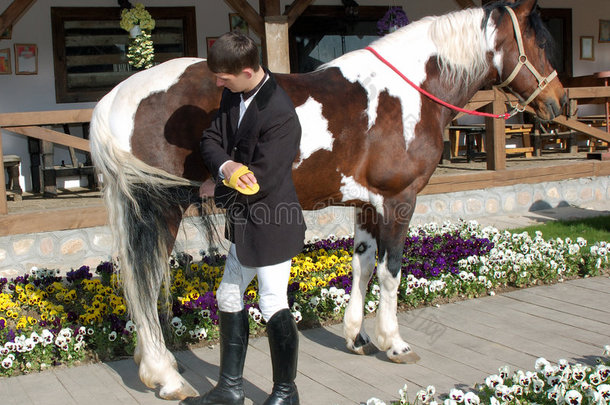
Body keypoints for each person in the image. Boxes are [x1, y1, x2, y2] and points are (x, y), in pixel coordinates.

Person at [182, 31, 305, 405]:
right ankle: (230, 390)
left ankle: (287, 392)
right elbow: (210, 141)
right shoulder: (232, 94)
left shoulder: (282, 115)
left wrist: (216, 187)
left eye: (224, 77)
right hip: (243, 220)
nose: (218, 83)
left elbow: (262, 182)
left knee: (271, 303)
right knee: (229, 296)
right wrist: (226, 165)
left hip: (272, 223)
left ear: (249, 71)